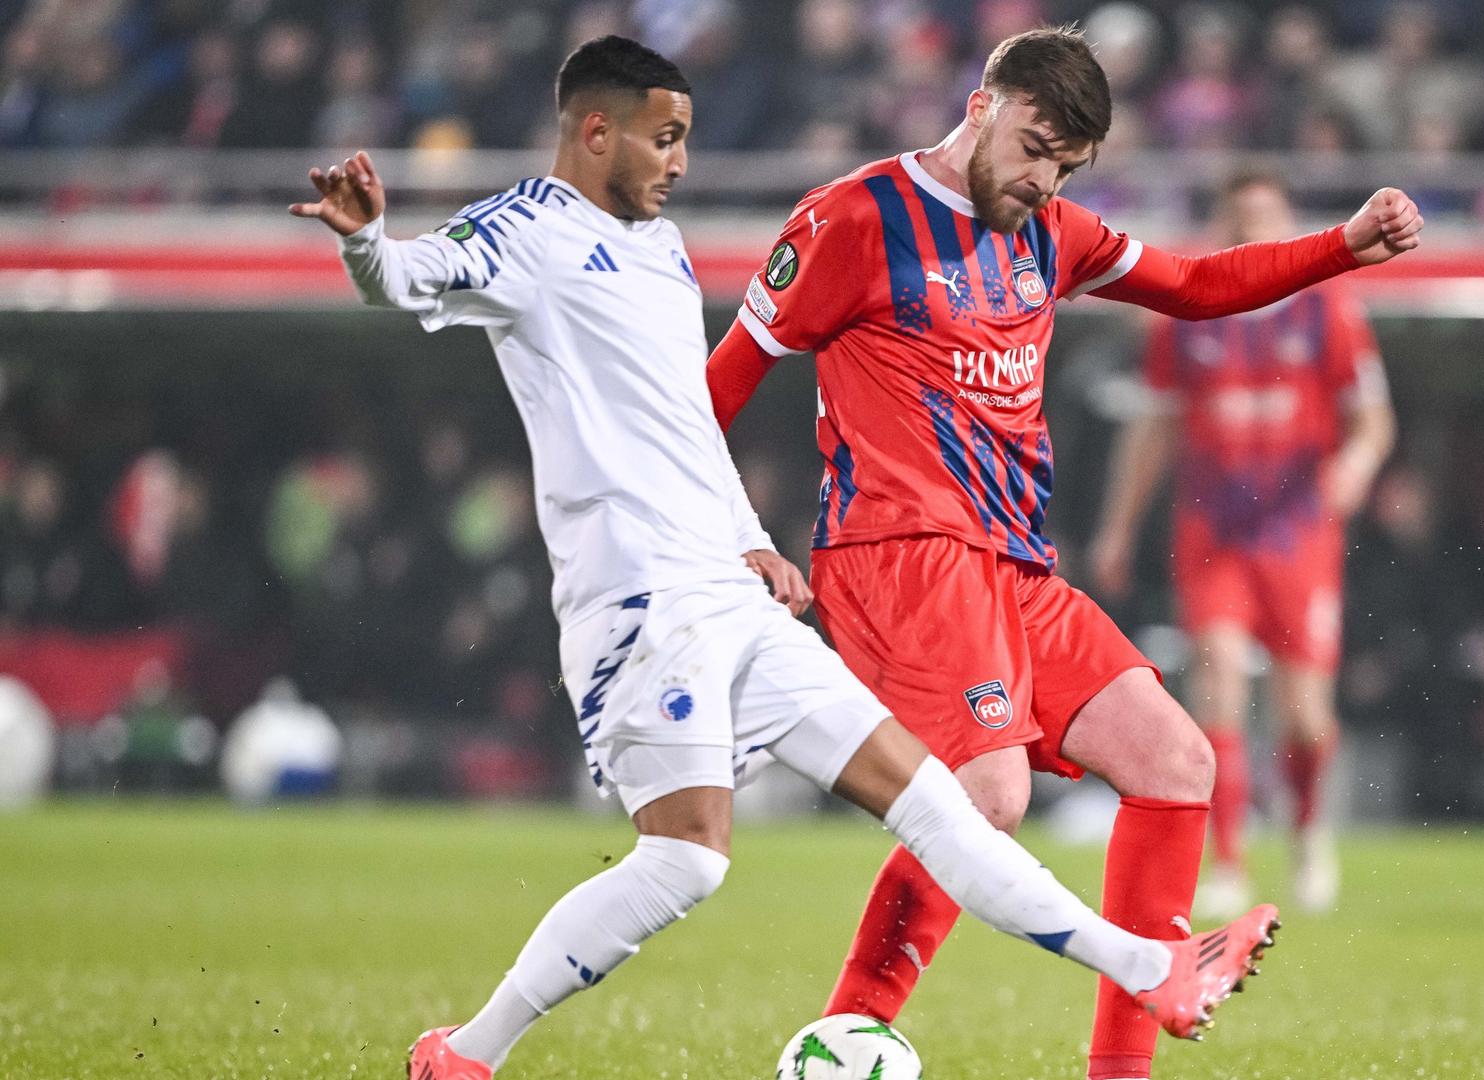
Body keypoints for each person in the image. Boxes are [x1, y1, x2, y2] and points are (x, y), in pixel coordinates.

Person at [290, 36, 1276, 1080]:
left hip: (729, 596)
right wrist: (366, 242)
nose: (679, 162)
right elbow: (402, 280)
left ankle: (1152, 971)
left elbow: (687, 426)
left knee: (950, 805)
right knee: (685, 862)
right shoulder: (524, 232)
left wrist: (754, 542)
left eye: (686, 140)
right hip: (637, 605)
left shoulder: (660, 251)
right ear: (595, 129)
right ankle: (467, 1054)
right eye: (664, 139)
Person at [705, 27, 1421, 1080]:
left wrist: (1341, 245)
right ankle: (851, 1027)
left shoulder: (1054, 231)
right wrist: (736, 539)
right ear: (983, 103)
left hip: (1014, 564)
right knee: (988, 797)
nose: (1043, 181)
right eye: (1035, 148)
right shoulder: (852, 219)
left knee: (1178, 764)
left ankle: (1118, 1073)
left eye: (1067, 166)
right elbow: (714, 387)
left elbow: (1193, 284)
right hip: (899, 552)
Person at [1089, 174, 1397, 919]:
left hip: (1298, 531)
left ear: (1289, 223)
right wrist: (1119, 525)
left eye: (1266, 217)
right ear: (1221, 227)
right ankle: (1227, 859)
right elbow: (1155, 428)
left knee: (1305, 715)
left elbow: (1374, 418)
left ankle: (1306, 828)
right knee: (1219, 680)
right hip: (1213, 529)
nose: (1252, 231)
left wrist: (1355, 467)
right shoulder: (1184, 314)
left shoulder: (1330, 308)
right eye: (1239, 219)